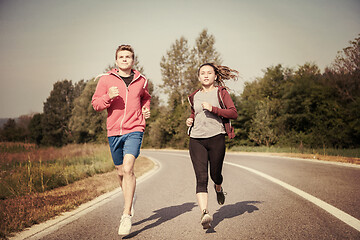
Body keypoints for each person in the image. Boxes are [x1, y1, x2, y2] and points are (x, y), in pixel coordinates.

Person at [91, 44, 151, 236]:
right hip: (114, 131)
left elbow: (145, 98)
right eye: (121, 57)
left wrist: (145, 108)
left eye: (128, 57)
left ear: (133, 60)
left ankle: (126, 215)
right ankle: (129, 197)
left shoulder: (142, 80)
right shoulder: (106, 80)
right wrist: (108, 97)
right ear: (116, 60)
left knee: (128, 169)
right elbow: (96, 104)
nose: (125, 59)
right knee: (119, 172)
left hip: (135, 128)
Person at [186, 63, 238, 229]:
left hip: (216, 138)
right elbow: (195, 113)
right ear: (199, 77)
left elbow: (233, 113)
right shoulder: (194, 96)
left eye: (209, 73)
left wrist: (213, 108)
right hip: (196, 139)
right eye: (203, 73)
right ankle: (204, 213)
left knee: (215, 174)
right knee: (201, 178)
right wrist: (190, 120)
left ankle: (218, 187)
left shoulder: (221, 93)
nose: (206, 75)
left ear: (215, 76)